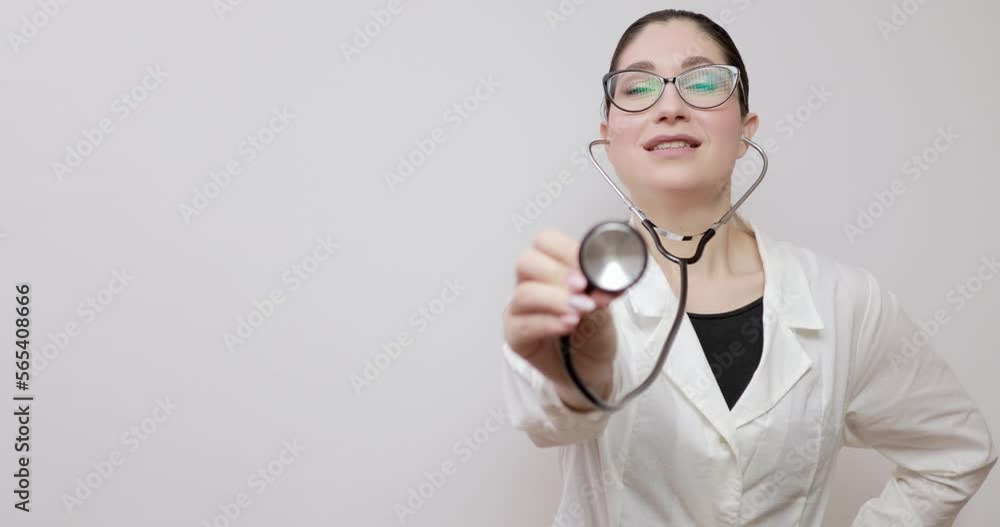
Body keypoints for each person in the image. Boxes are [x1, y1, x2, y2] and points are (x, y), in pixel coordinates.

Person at [500, 8, 997, 527]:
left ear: (744, 130)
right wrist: (586, 375)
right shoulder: (564, 292)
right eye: (637, 87)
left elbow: (954, 452)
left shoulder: (844, 301)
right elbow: (547, 421)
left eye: (705, 81)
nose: (669, 104)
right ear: (609, 137)